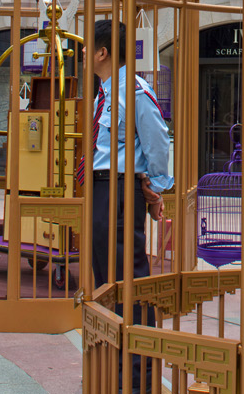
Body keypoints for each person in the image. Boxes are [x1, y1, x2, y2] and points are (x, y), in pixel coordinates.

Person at [88, 20, 170, 392]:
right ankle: (113, 370)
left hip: (120, 191)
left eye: (88, 48)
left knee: (128, 285)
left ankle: (137, 381)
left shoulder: (134, 92)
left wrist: (154, 188)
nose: (84, 54)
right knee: (106, 283)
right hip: (102, 189)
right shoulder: (104, 92)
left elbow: (157, 143)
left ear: (102, 52)